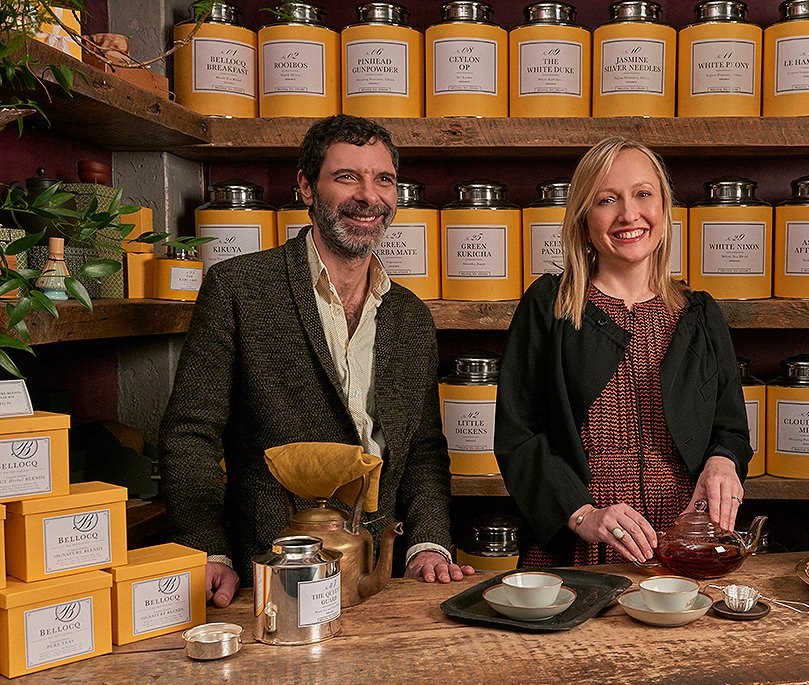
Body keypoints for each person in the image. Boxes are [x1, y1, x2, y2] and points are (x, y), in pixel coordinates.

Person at [160, 115, 473, 607]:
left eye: (384, 179)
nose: (369, 196)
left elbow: (423, 451)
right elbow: (190, 433)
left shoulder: (411, 316)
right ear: (306, 186)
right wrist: (208, 550)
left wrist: (427, 544)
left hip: (379, 578)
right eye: (347, 177)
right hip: (267, 572)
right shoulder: (239, 289)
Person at [494, 137, 752, 567]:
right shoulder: (549, 306)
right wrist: (582, 514)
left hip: (683, 546)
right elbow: (518, 435)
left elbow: (730, 429)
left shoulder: (701, 315)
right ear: (584, 218)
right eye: (606, 200)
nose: (629, 214)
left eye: (643, 194)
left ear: (664, 208)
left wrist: (723, 463)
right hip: (576, 551)